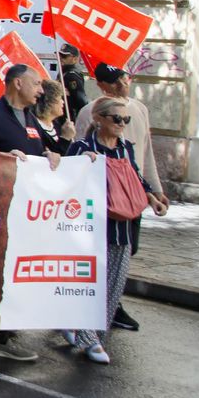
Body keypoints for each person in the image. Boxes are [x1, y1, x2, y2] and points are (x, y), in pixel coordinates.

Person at [64, 97, 167, 363]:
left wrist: (153, 198)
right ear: (99, 119)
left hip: (123, 226)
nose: (122, 124)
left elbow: (136, 178)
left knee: (114, 285)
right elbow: (64, 183)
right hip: (92, 229)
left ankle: (94, 332)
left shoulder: (125, 148)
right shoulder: (82, 147)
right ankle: (89, 339)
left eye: (126, 120)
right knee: (91, 285)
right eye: (117, 119)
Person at [0, 63, 55, 364]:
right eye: (36, 84)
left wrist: (51, 154)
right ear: (17, 84)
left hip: (22, 212)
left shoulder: (29, 117)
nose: (41, 90)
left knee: (12, 275)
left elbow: (40, 149)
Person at [75, 63, 168, 332]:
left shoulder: (138, 110)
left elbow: (143, 154)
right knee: (96, 257)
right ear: (102, 85)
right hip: (100, 201)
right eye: (114, 81)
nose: (122, 84)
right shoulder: (87, 112)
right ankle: (86, 316)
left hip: (130, 196)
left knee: (127, 250)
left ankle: (110, 307)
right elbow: (80, 150)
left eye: (124, 78)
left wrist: (154, 190)